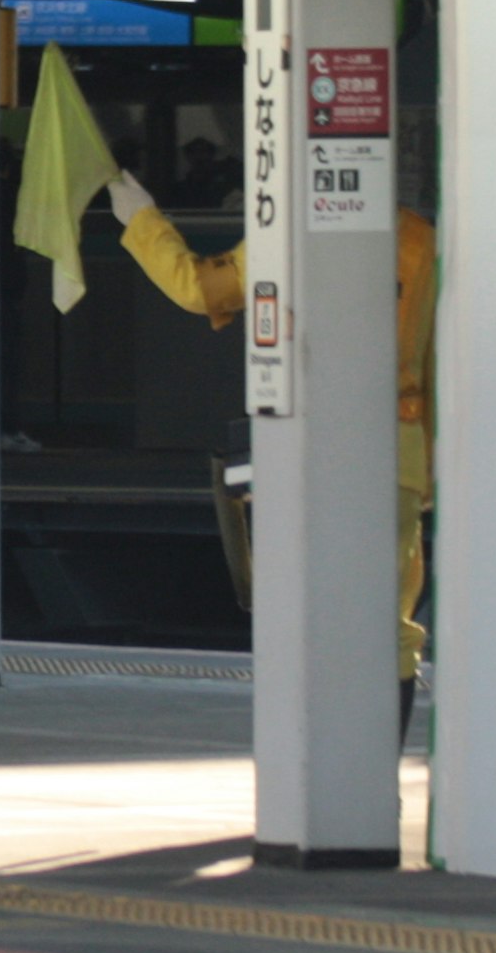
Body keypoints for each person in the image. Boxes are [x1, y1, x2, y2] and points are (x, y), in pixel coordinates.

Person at [109, 168, 436, 729]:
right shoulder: (421, 243)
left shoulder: (286, 231)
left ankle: (312, 766)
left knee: (303, 610)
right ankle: (374, 778)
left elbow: (199, 288)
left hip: (302, 448)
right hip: (392, 455)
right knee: (387, 626)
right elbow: (436, 367)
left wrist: (139, 217)